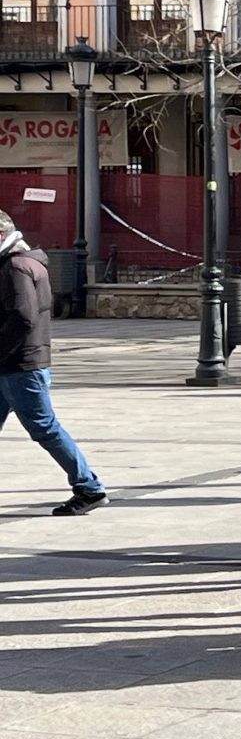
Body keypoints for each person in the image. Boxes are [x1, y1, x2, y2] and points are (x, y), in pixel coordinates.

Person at [0, 210, 106, 516]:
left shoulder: (15, 267)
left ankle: (89, 488)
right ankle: (88, 487)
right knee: (44, 427)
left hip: (21, 366)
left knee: (44, 428)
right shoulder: (26, 262)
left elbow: (21, 317)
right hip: (17, 363)